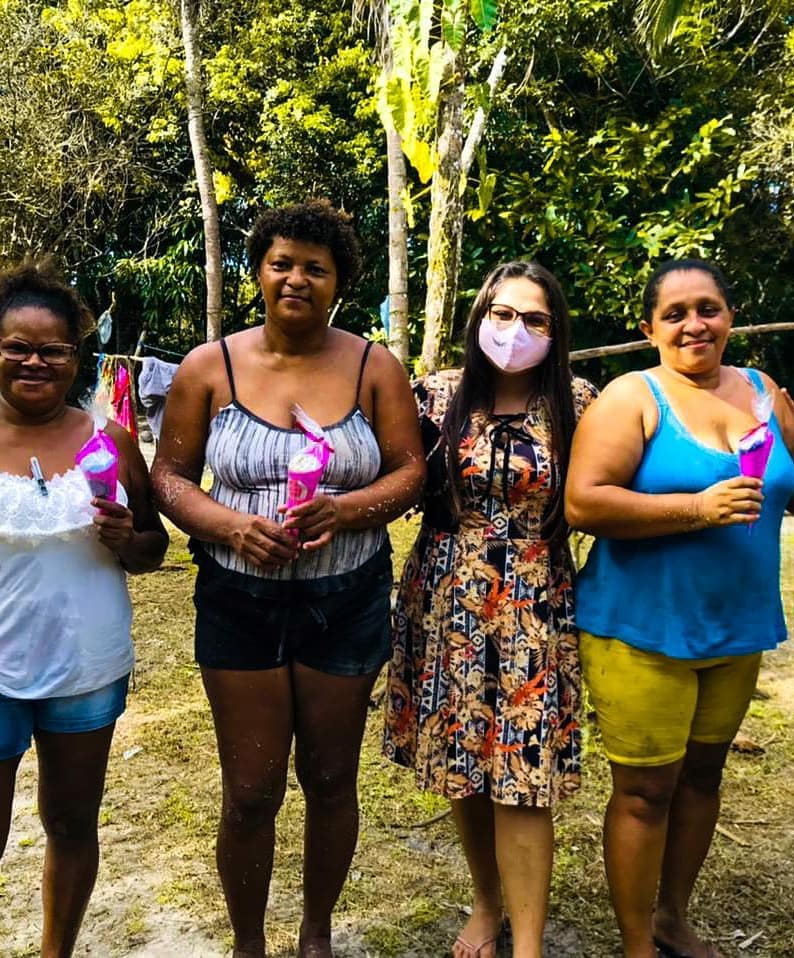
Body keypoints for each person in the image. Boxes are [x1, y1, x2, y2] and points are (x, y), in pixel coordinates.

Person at [150, 200, 425, 958]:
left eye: (316, 267)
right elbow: (169, 476)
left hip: (347, 598)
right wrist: (229, 525)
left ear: (339, 283)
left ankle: (315, 934)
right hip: (239, 599)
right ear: (258, 273)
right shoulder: (212, 367)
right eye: (282, 263)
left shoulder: (374, 366)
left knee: (332, 777)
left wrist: (350, 510)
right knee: (250, 789)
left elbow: (412, 472)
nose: (296, 278)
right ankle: (247, 943)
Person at [565, 259, 794, 958]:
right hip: (642, 628)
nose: (693, 324)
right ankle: (638, 942)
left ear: (730, 316)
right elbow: (584, 503)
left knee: (704, 777)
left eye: (707, 308)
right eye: (674, 314)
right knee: (646, 792)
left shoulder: (764, 392)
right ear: (649, 329)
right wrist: (696, 508)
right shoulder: (632, 397)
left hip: (736, 625)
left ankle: (673, 916)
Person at [383, 261, 597, 958]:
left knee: (523, 777)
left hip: (536, 601)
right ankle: (486, 903)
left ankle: (529, 944)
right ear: (479, 319)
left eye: (534, 319)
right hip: (447, 598)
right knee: (462, 764)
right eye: (502, 315)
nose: (515, 331)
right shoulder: (434, 394)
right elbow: (383, 470)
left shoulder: (580, 403)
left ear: (555, 331)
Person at [0, 264, 168, 957]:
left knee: (71, 822)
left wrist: (130, 537)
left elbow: (153, 549)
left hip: (85, 668)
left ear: (77, 358)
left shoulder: (111, 442)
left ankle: (54, 953)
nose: (34, 361)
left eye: (53, 349)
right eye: (16, 346)